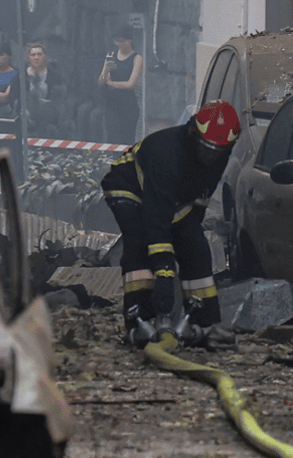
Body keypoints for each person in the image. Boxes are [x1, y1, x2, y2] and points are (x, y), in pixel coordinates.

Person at [101, 100, 241, 348]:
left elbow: (200, 198)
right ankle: (139, 321)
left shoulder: (219, 151)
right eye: (206, 147)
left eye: (217, 150)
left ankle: (203, 324)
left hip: (172, 198)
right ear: (193, 133)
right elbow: (156, 218)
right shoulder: (167, 155)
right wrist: (164, 273)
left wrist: (188, 237)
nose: (211, 155)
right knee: (139, 243)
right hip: (129, 186)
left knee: (196, 246)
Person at [98, 25, 143, 143]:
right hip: (112, 104)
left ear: (129, 40)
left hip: (128, 105)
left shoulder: (136, 58)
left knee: (126, 139)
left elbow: (130, 84)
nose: (119, 44)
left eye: (122, 41)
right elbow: (101, 81)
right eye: (116, 41)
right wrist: (106, 70)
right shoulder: (110, 56)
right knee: (112, 136)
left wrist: (111, 83)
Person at [23, 41, 65, 137]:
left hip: (50, 117)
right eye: (33, 55)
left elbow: (58, 98)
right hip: (28, 117)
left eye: (39, 54)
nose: (36, 58)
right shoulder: (23, 75)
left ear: (45, 56)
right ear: (29, 57)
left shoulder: (54, 75)